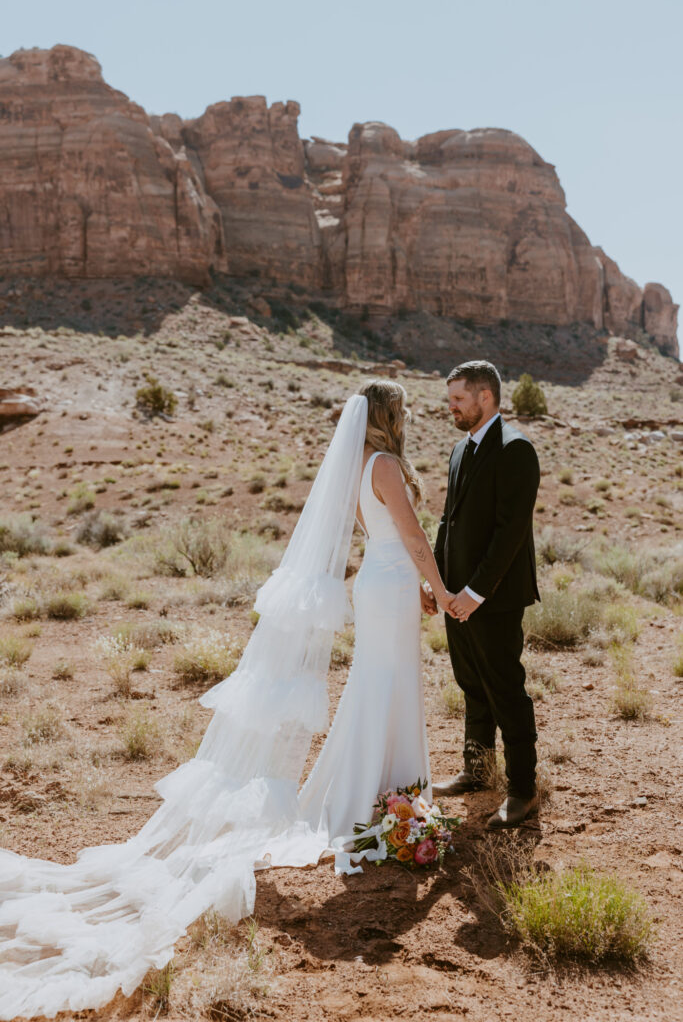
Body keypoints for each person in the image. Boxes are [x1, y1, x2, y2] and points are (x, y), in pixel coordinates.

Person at [0, 380, 456, 1020]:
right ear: (389, 415)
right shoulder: (383, 463)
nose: (407, 417)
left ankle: (378, 791)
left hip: (381, 585)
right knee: (386, 686)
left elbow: (390, 539)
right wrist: (440, 588)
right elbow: (412, 540)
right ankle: (380, 795)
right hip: (394, 582)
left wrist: (420, 586)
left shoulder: (358, 466)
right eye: (402, 409)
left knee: (379, 687)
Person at [429, 360, 541, 829]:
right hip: (456, 595)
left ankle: (522, 790)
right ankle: (476, 772)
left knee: (504, 690)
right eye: (450, 399)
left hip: (492, 598)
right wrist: (432, 581)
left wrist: (475, 592)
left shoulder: (516, 450)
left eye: (458, 399)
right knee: (471, 683)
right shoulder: (459, 449)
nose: (450, 407)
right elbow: (446, 520)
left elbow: (509, 534)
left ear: (485, 398)